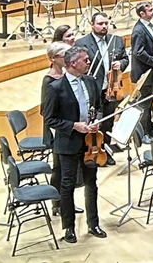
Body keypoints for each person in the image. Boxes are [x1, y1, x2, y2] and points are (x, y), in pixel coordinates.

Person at [40, 45, 106, 241]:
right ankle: (68, 227)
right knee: (67, 185)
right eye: (85, 59)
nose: (88, 62)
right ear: (72, 63)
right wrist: (73, 126)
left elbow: (99, 107)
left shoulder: (92, 82)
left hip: (91, 143)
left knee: (91, 183)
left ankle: (93, 224)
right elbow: (50, 119)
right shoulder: (55, 88)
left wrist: (97, 121)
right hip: (68, 143)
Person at [127, 1, 153, 141]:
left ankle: (150, 129)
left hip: (152, 72)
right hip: (144, 73)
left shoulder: (149, 26)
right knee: (143, 105)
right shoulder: (139, 30)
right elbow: (138, 52)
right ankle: (142, 134)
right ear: (142, 14)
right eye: (149, 10)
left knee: (150, 103)